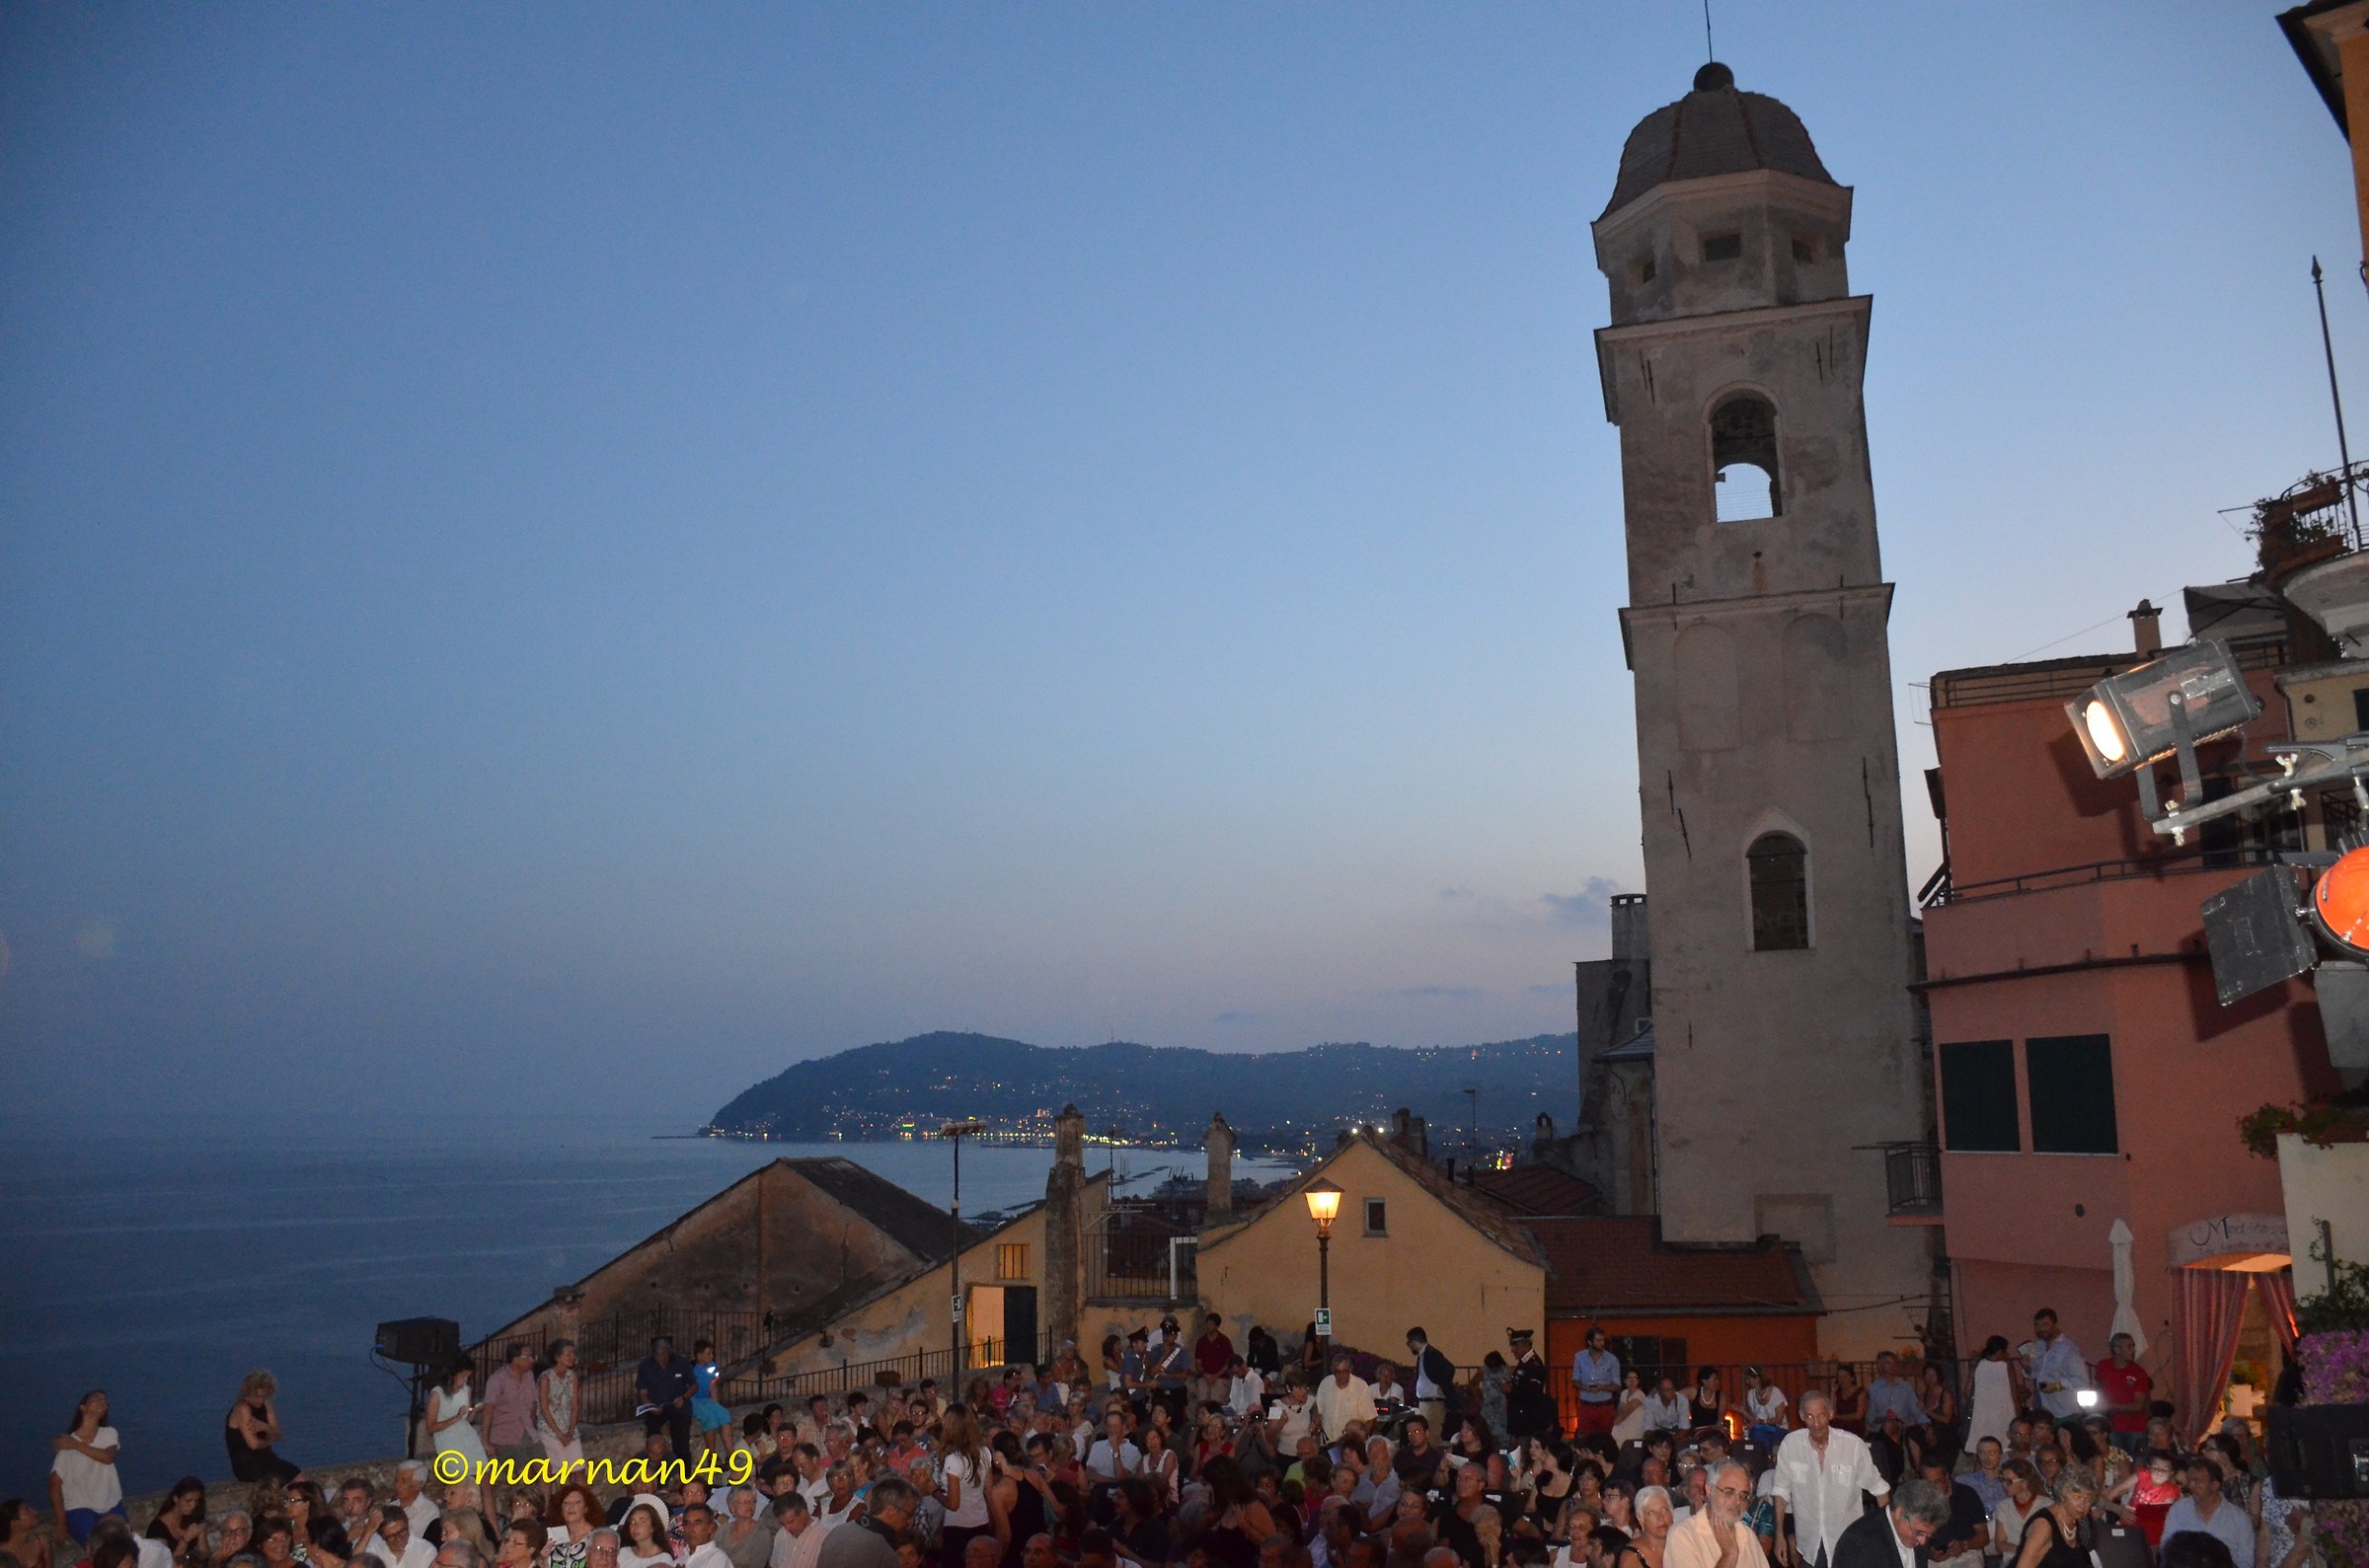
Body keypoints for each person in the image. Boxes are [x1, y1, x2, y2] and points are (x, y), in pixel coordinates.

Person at [1770, 1391, 1889, 1568]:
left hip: (1848, 1544)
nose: (1816, 1423)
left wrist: (1886, 1535)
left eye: (1821, 1415)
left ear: (1831, 1414)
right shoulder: (1790, 1444)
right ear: (1802, 1416)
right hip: (1810, 1545)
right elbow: (1780, 1490)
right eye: (1810, 1416)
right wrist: (1779, 1534)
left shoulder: (1853, 1446)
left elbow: (1880, 1489)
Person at [49, 1390, 124, 1543]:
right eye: (96, 1399)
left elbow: (107, 1457)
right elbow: (55, 1483)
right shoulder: (67, 1443)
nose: (102, 1402)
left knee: (125, 1545)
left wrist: (75, 1445)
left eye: (105, 1400)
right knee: (97, 1549)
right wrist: (61, 1523)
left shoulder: (108, 1433)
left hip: (110, 1502)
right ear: (82, 1407)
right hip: (79, 1506)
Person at [1664, 1462, 1765, 1568]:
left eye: (1743, 1495)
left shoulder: (1748, 1535)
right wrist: (1729, 1555)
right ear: (1709, 1490)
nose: (1738, 1502)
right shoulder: (1683, 1535)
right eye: (1729, 1492)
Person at [2161, 1456, 2254, 1568]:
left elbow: (2246, 1562)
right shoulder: (2178, 1510)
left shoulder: (2239, 1519)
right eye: (2189, 1481)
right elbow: (2166, 1550)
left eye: (2197, 1481)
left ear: (2215, 1485)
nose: (2191, 1486)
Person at [1831, 1481, 1949, 1568]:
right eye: (1919, 1533)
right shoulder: (1857, 1544)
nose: (1923, 1541)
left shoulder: (1919, 1529)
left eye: (1929, 1535)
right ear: (1899, 1513)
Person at [482, 1347, 541, 1516]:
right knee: (525, 1473)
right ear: (515, 1359)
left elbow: (532, 1404)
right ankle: (523, 1513)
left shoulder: (529, 1376)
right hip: (506, 1434)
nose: (532, 1359)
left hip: (527, 1430)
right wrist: (486, 1441)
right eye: (528, 1356)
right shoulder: (497, 1380)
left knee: (545, 1470)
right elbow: (488, 1410)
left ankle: (542, 1512)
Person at [2008, 1470, 2097, 1568]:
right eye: (2077, 1497)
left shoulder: (2074, 1519)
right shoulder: (2043, 1526)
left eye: (2088, 1499)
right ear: (2063, 1495)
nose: (2083, 1505)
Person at [227, 1373, 301, 1487]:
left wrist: (264, 1427)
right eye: (258, 1396)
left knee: (303, 1481)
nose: (261, 1400)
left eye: (264, 1396)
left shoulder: (266, 1404)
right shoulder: (243, 1409)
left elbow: (278, 1434)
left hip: (269, 1460)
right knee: (283, 1488)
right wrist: (269, 1440)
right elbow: (254, 1444)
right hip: (249, 1465)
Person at [817, 1480, 911, 1568]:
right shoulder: (883, 1551)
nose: (910, 1521)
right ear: (891, 1511)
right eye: (909, 1514)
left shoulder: (838, 1532)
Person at [1911, 1456, 1986, 1565]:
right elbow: (1910, 1536)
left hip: (1967, 1553)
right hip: (1933, 1558)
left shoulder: (1966, 1495)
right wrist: (1927, 1552)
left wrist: (1964, 1544)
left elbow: (1983, 1535)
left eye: (1937, 1482)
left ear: (1946, 1477)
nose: (1933, 1488)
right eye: (1928, 1483)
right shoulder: (1917, 1501)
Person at [2021, 1312, 2087, 1425]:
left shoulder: (2069, 1349)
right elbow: (2035, 1372)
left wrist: (2056, 1386)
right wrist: (2027, 1367)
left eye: (2045, 1324)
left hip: (2064, 1411)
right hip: (2043, 1409)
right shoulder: (2038, 1346)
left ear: (2055, 1325)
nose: (2041, 1329)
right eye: (2037, 1325)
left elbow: (2081, 1381)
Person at [639, 1339, 697, 1462]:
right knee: (653, 1440)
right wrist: (649, 1405)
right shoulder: (645, 1365)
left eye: (663, 1354)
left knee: (681, 1444)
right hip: (656, 1408)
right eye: (657, 1354)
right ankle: (653, 1473)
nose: (660, 1357)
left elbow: (694, 1385)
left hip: (678, 1407)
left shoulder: (681, 1363)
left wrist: (684, 1397)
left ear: (669, 1353)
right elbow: (643, 1392)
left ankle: (683, 1477)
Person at [427, 1363, 489, 1475]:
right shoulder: (437, 1394)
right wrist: (456, 1417)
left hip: (467, 1436)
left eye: (468, 1377)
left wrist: (475, 1410)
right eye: (463, 1376)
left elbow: (467, 1420)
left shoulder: (466, 1390)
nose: (465, 1380)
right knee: (461, 1475)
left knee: (483, 1471)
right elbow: (430, 1428)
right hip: (447, 1439)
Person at [2092, 1338, 2149, 1456]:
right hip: (2112, 1426)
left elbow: (2138, 1405)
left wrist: (2110, 1407)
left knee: (2135, 1461)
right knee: (2113, 1461)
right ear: (2117, 1349)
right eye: (2129, 1347)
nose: (2133, 1350)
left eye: (2133, 1346)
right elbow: (2098, 1387)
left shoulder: (2139, 1372)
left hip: (2135, 1428)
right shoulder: (2103, 1366)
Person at [1962, 1341, 2017, 1456]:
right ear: (1999, 1351)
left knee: (1982, 1451)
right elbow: (2013, 1392)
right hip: (2003, 1413)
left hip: (1982, 1415)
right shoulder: (2006, 1365)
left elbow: (1966, 1391)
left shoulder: (1978, 1365)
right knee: (2004, 1448)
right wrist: (2018, 1414)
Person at [540, 1342, 584, 1469]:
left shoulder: (572, 1376)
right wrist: (559, 1434)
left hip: (569, 1429)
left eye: (573, 1354)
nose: (572, 1357)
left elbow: (575, 1405)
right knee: (563, 1471)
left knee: (579, 1469)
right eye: (568, 1354)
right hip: (550, 1430)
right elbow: (544, 1409)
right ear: (557, 1357)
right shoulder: (546, 1378)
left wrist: (570, 1431)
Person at [1570, 1330, 1621, 1441]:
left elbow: (1617, 1385)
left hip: (1605, 1406)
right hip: (1586, 1405)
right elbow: (1575, 1380)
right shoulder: (1579, 1357)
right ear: (1590, 1342)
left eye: (1603, 1340)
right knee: (1585, 1439)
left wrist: (1602, 1387)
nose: (1602, 1343)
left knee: (1606, 1439)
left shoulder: (1612, 1359)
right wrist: (1584, 1387)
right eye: (1598, 1340)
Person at [1316, 1355, 1378, 1443]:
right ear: (1332, 1371)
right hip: (1327, 1442)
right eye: (1337, 1372)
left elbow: (1371, 1418)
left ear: (1350, 1370)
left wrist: (1361, 1438)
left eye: (1344, 1372)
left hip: (1349, 1443)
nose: (1341, 1375)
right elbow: (1319, 1410)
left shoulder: (1361, 1387)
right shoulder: (1326, 1383)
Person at [1408, 1329, 1458, 1438]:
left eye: (1409, 1343)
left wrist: (1443, 1385)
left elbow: (1449, 1369)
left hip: (1432, 1403)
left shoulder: (1432, 1354)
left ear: (1415, 1341)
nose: (1409, 1346)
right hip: (1427, 1403)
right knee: (1429, 1434)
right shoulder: (1424, 1355)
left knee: (1433, 1436)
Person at [1865, 1358, 1922, 1433]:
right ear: (1880, 1366)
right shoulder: (1873, 1389)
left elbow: (1915, 1408)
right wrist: (1884, 1419)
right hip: (1882, 1430)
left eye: (1893, 1363)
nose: (1892, 1366)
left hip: (1904, 1429)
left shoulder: (1906, 1387)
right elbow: (1870, 1416)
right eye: (1888, 1363)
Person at [767, 1496, 823, 1568]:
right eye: (783, 1524)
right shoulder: (781, 1533)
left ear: (803, 1513)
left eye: (790, 1522)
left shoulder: (823, 1538)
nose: (787, 1528)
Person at [371, 1508, 435, 1568]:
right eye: (392, 1536)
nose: (398, 1539)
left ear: (407, 1525)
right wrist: (367, 1534)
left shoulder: (426, 1550)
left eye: (402, 1532)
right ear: (383, 1537)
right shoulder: (375, 1547)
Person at [1741, 1371, 1788, 1447]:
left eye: (1749, 1379)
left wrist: (1763, 1421)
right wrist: (1742, 1411)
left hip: (1778, 1428)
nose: (1747, 1382)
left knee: (1761, 1435)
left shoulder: (1776, 1393)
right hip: (1761, 1428)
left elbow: (1779, 1419)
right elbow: (1754, 1419)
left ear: (1757, 1379)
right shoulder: (1751, 1394)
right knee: (1755, 1433)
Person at [1612, 1373, 1648, 1446]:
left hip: (1634, 1429)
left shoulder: (1639, 1395)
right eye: (1629, 1378)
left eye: (1635, 1378)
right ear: (1625, 1381)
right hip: (1623, 1426)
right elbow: (1619, 1412)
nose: (1632, 1381)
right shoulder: (1624, 1393)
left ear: (1638, 1381)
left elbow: (1623, 1415)